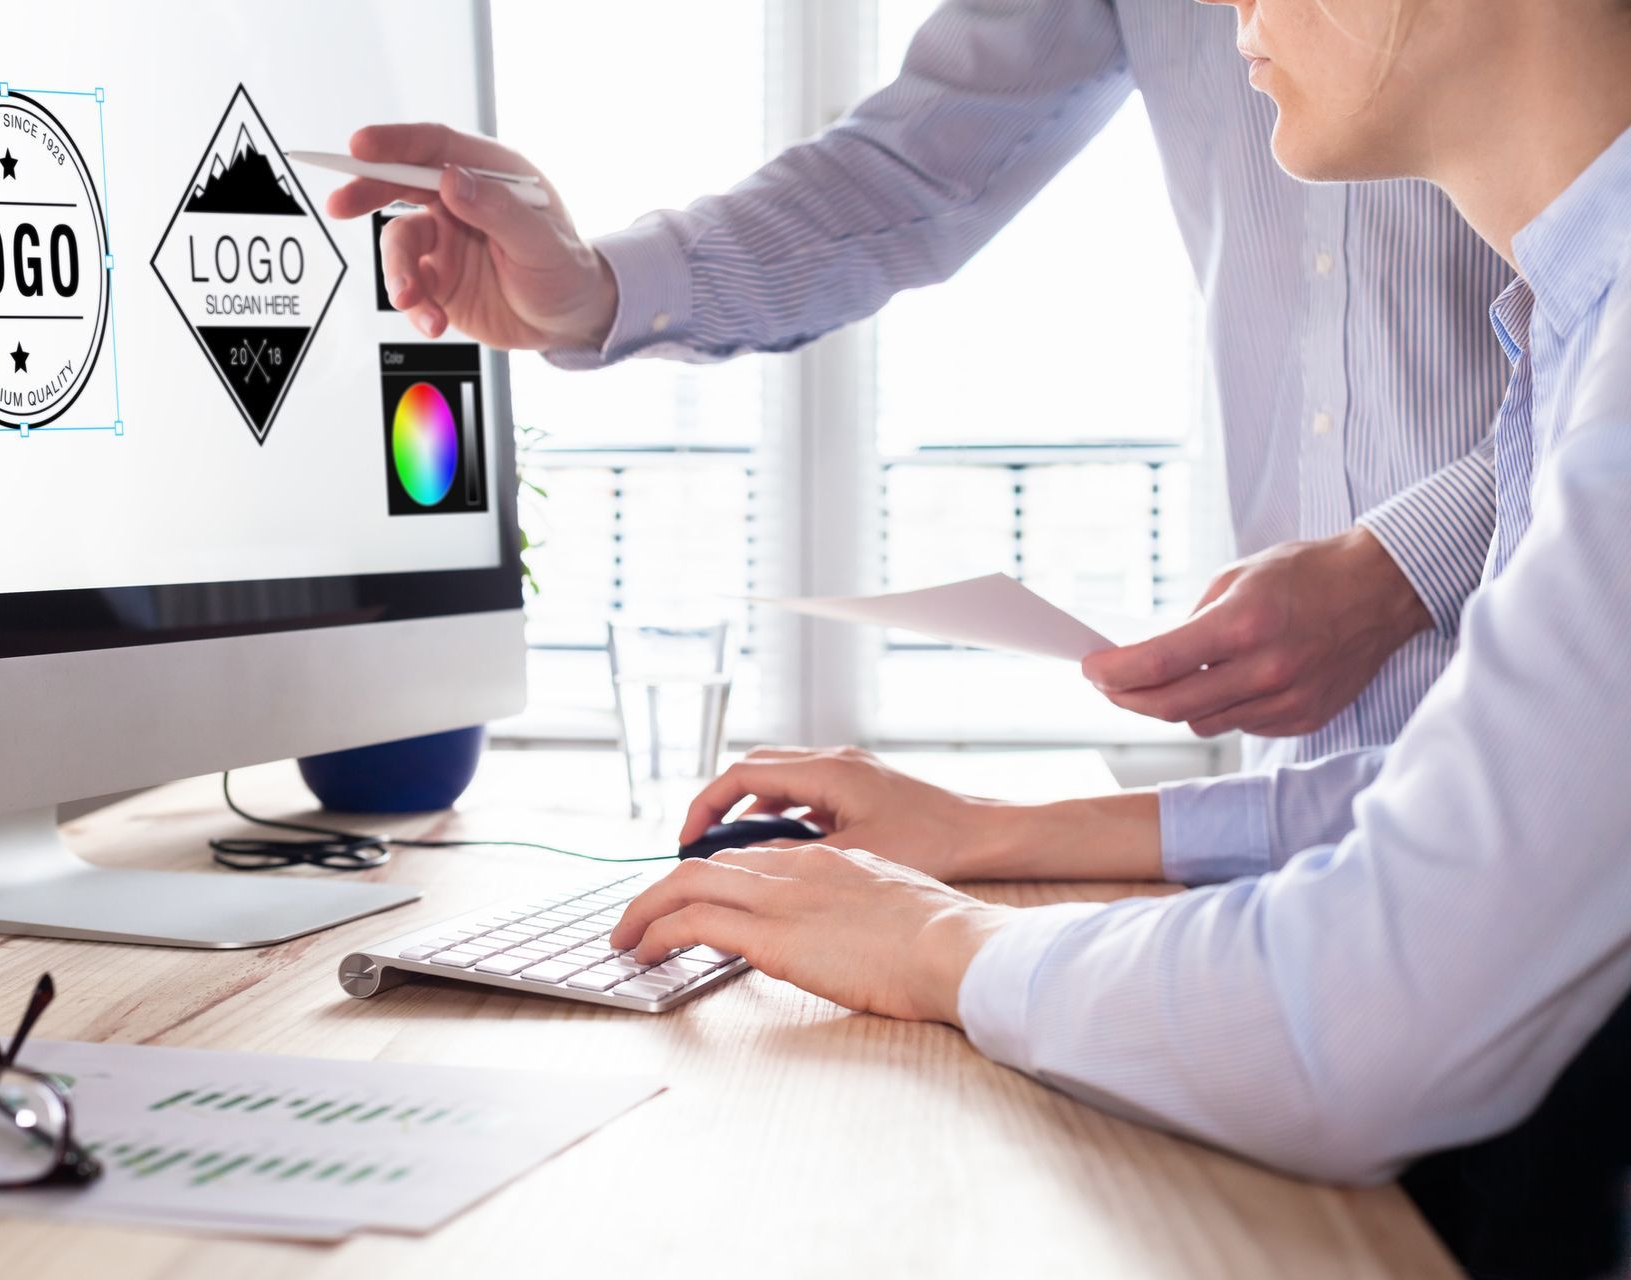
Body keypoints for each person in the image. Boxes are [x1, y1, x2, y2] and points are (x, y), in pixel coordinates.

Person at [611, 1, 1631, 1274]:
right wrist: (998, 834)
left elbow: (1365, 1013)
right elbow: (1500, 810)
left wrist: (938, 942)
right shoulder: (1572, 327)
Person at [327, 0, 1511, 773]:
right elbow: (915, 171)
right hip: (1304, 774)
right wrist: (590, 289)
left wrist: (1410, 563)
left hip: (1563, 722)